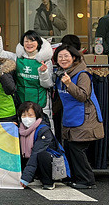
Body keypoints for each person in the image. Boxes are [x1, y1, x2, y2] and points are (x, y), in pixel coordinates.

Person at [54, 45, 104, 189]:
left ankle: (88, 180)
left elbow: (83, 95)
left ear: (74, 57)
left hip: (86, 118)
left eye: (66, 56)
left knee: (77, 149)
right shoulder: (61, 74)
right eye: (60, 57)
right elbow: (61, 98)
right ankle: (77, 178)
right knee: (71, 148)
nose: (63, 59)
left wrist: (69, 84)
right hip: (71, 118)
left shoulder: (82, 74)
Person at [0, 26, 53, 118]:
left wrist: (43, 72)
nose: (29, 44)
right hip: (21, 102)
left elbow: (48, 84)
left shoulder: (46, 61)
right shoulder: (17, 58)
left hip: (41, 103)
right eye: (26, 41)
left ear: (38, 43)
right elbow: (0, 54)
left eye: (32, 41)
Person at [18, 101, 59, 190]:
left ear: (37, 115)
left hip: (48, 163)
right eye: (23, 115)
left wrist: (26, 178)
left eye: (30, 115)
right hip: (31, 162)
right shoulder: (20, 129)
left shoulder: (44, 130)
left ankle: (48, 181)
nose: (27, 118)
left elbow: (35, 153)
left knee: (42, 155)